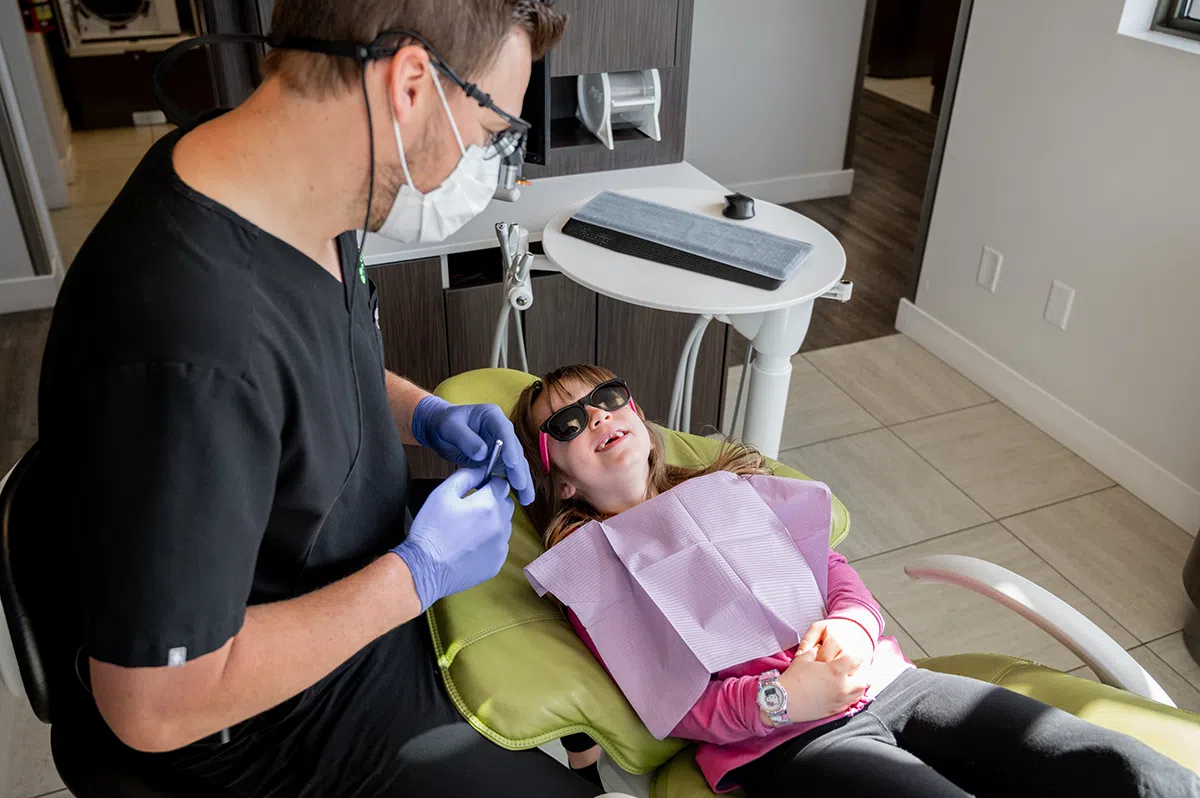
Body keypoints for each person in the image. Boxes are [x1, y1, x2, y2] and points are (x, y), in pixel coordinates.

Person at [26, 2, 606, 796]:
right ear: (409, 85)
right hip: (263, 726)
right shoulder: (183, 344)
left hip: (351, 579)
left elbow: (321, 352)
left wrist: (421, 413)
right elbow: (151, 706)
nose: (486, 158)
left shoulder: (287, 186)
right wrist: (415, 577)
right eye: (492, 127)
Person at [509, 364, 1200, 798]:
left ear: (642, 420)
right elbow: (674, 704)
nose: (597, 415)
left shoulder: (734, 489)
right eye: (568, 421)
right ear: (560, 477)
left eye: (608, 397)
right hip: (789, 742)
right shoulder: (593, 573)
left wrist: (853, 626)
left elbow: (835, 573)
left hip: (893, 684)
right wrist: (783, 698)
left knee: (1121, 767)